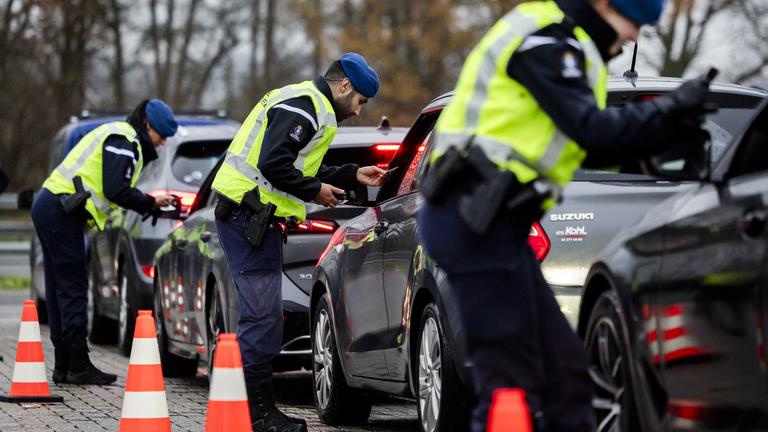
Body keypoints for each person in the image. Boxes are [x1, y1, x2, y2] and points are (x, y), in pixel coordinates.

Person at [418, 0, 713, 430]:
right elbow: (591, 129)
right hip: (473, 218)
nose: (634, 36)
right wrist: (668, 110)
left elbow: (590, 141)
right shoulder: (547, 40)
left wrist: (663, 129)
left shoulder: (569, 48)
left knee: (567, 376)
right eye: (633, 22)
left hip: (496, 224)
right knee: (509, 388)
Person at [210, 52, 385, 432]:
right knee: (262, 318)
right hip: (248, 217)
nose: (358, 111)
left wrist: (354, 175)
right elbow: (275, 164)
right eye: (359, 101)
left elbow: (300, 166)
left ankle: (246, 411)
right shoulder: (305, 108)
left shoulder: (306, 103)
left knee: (261, 317)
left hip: (250, 218)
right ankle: (257, 416)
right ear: (345, 86)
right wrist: (315, 190)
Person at [31, 100, 178, 385]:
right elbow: (116, 189)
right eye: (162, 135)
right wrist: (149, 202)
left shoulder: (121, 135)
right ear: (148, 126)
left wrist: (150, 205)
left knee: (60, 288)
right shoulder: (125, 139)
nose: (163, 143)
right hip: (62, 211)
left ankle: (64, 365)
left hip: (54, 207)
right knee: (73, 288)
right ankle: (78, 366)